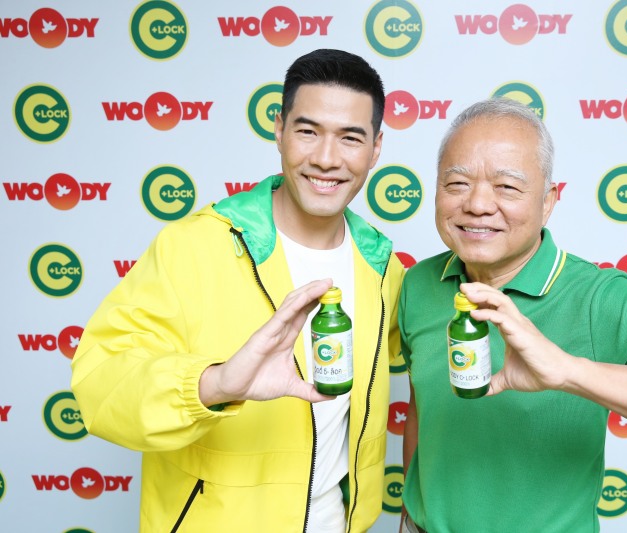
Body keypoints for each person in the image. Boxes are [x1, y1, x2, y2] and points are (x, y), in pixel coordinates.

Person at [71, 49, 404, 533]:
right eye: (307, 131)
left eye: (350, 138)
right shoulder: (193, 245)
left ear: (375, 149)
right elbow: (100, 385)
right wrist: (215, 384)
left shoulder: (382, 267)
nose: (326, 158)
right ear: (279, 131)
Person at [398, 98, 627, 533]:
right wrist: (410, 514)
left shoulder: (599, 297)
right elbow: (423, 408)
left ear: (548, 202)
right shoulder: (418, 284)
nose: (477, 204)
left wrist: (567, 371)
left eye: (507, 187)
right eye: (457, 183)